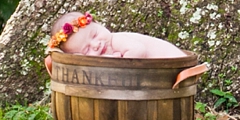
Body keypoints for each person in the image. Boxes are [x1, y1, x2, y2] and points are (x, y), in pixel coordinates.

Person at [45, 11, 207, 85]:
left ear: (99, 25)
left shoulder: (117, 40)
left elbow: (139, 51)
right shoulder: (106, 48)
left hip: (175, 68)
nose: (96, 45)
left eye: (94, 35)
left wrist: (117, 61)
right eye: (87, 50)